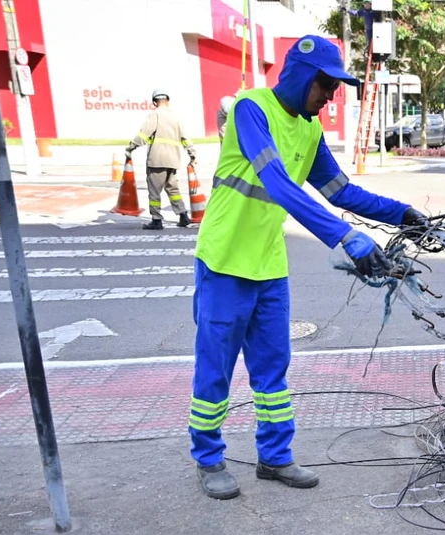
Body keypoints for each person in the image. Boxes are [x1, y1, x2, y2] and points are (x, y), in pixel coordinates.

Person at [189, 34, 428, 500]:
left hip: (268, 265)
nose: (330, 97)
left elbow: (341, 192)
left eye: (335, 88)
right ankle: (209, 457)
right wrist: (347, 237)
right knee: (215, 367)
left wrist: (402, 214)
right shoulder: (251, 110)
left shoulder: (310, 130)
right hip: (224, 260)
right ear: (301, 76)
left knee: (272, 369)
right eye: (326, 85)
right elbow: (278, 183)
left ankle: (275, 457)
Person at [127, 90, 196, 230]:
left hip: (157, 159)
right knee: (173, 189)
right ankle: (183, 215)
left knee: (154, 191)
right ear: (168, 101)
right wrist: (192, 154)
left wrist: (131, 147)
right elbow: (185, 138)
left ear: (154, 102)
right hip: (173, 160)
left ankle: (156, 220)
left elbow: (143, 135)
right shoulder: (176, 117)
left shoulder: (155, 115)